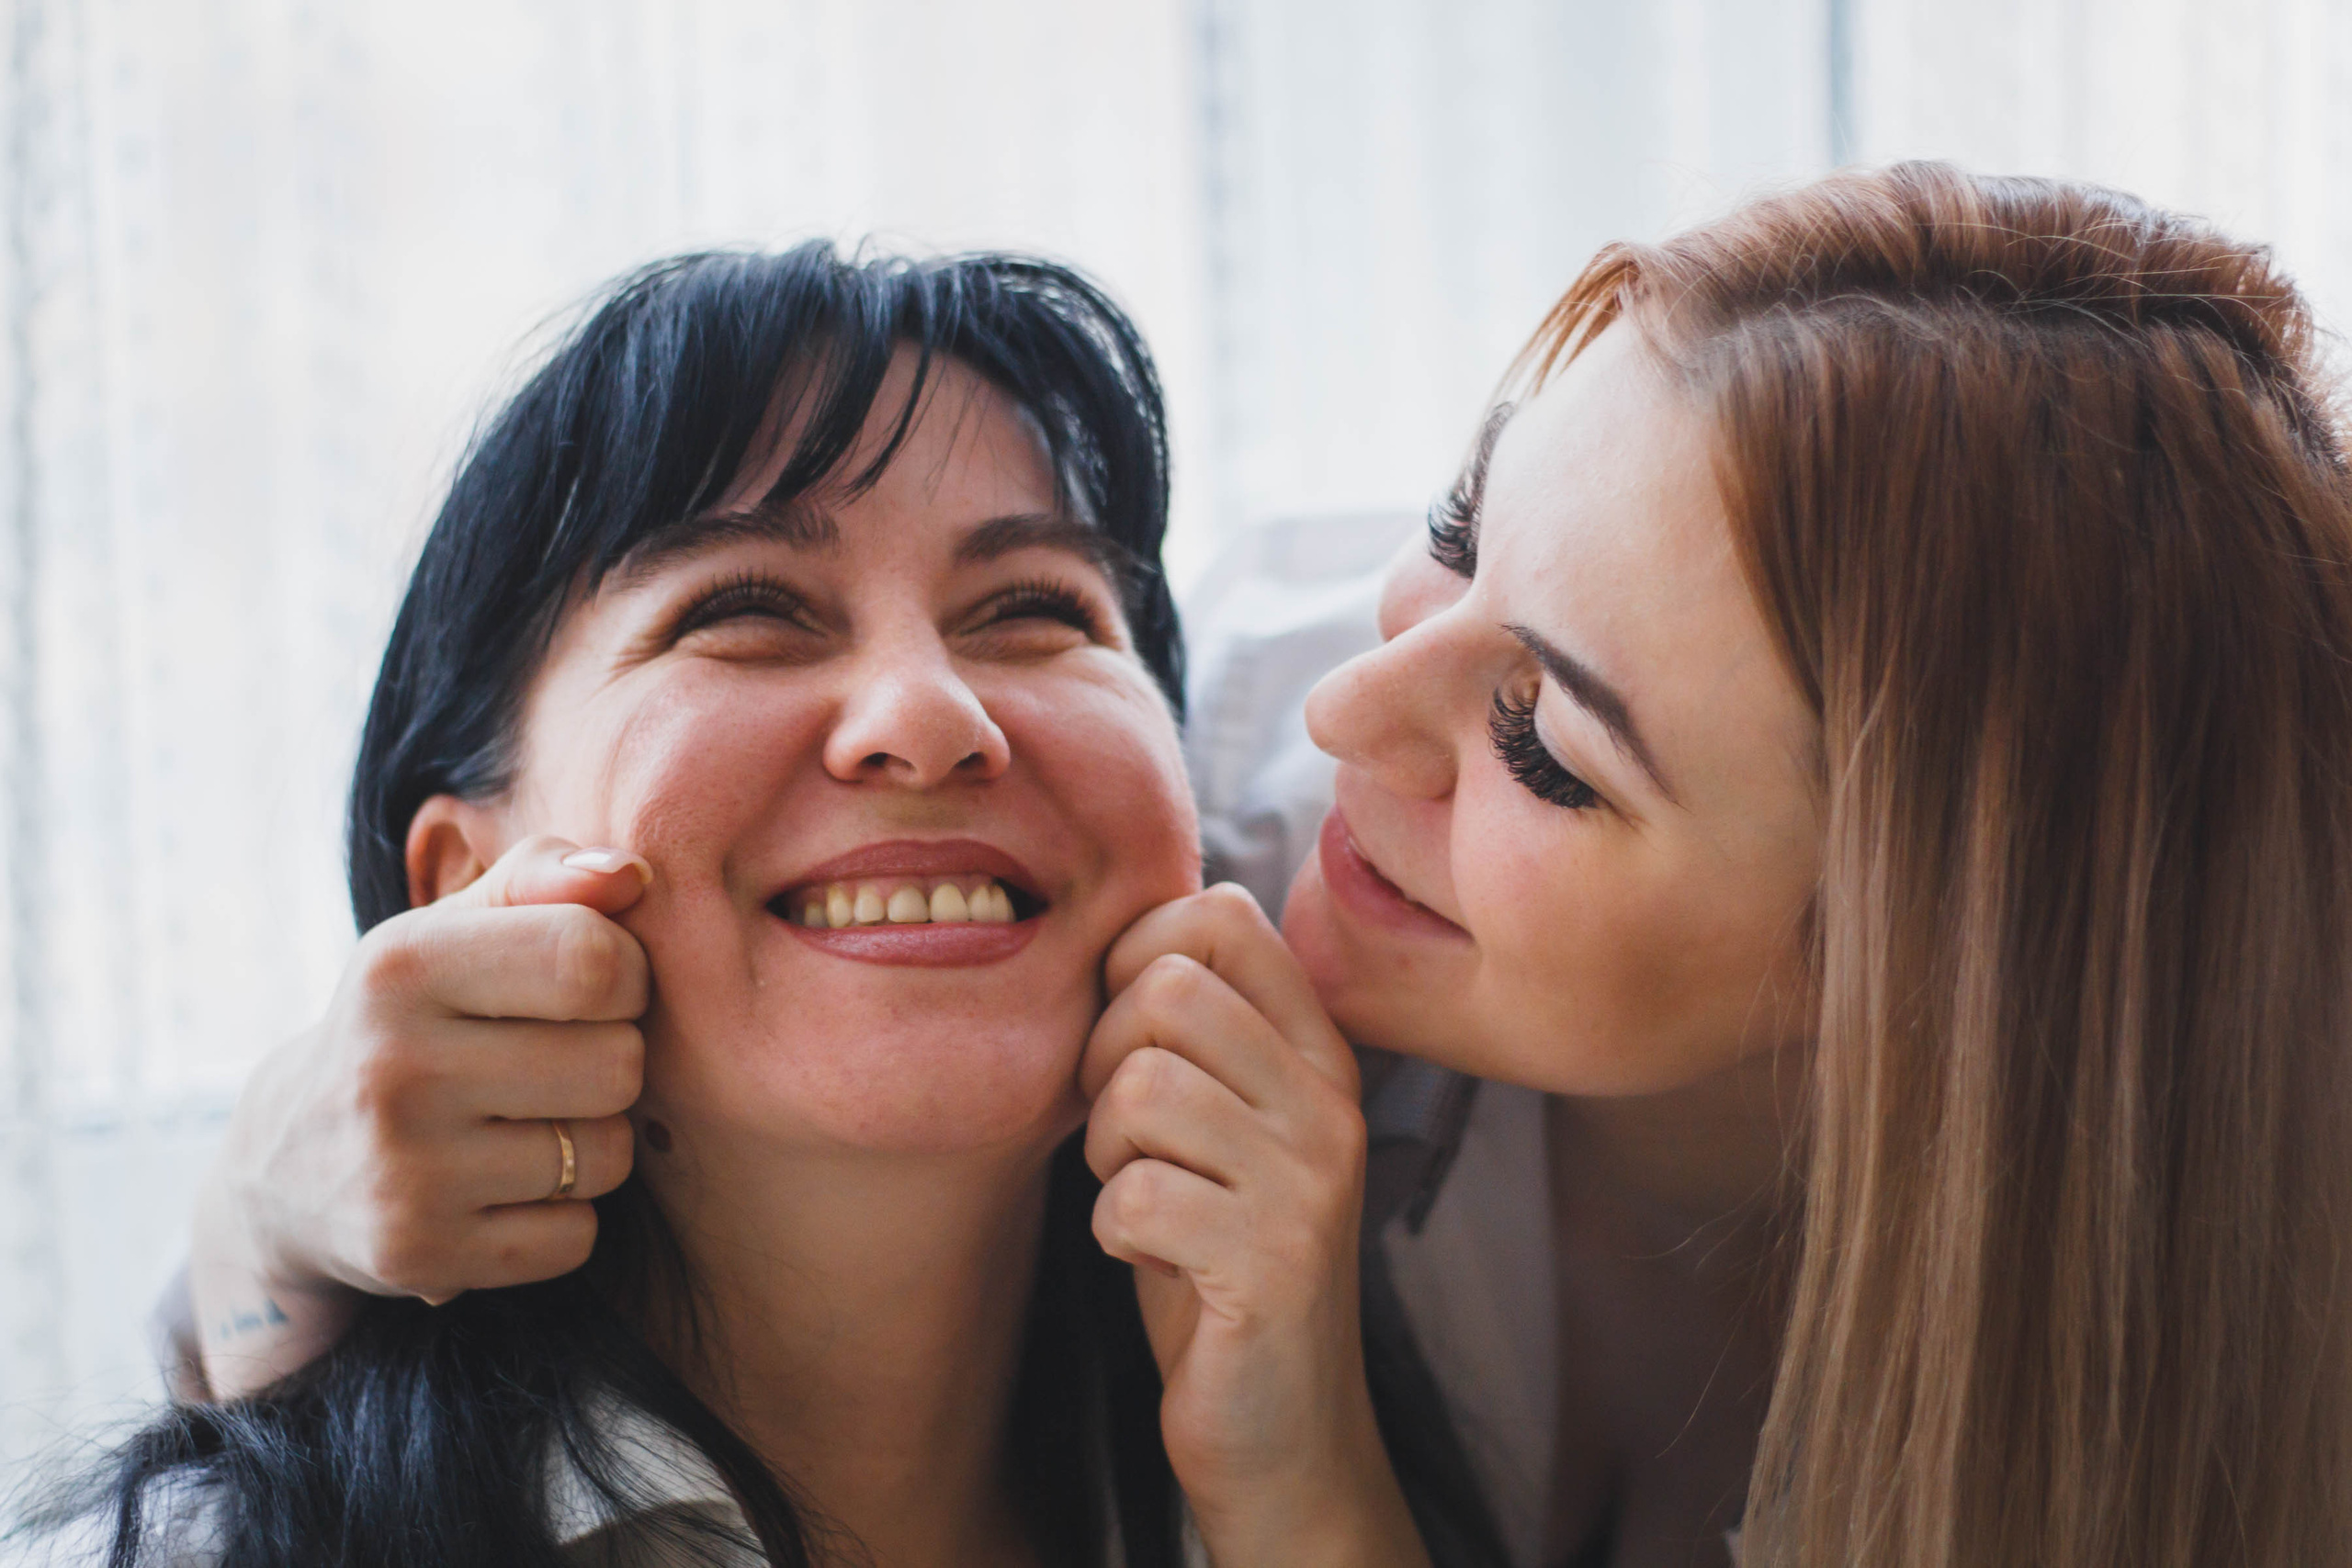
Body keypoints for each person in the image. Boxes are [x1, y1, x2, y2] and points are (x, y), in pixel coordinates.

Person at [139, 162, 2352, 1565]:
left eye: (1536, 748)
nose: (1326, 721)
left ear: (1894, 983)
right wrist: (268, 1211)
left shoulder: (2202, 1323)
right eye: (1456, 535)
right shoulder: (1214, 795)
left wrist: (1297, 1485)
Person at [16, 244, 1443, 1568]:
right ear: (459, 893)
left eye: (1037, 611)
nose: (930, 716)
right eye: (746, 610)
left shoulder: (1389, 1471)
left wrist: (1306, 1500)